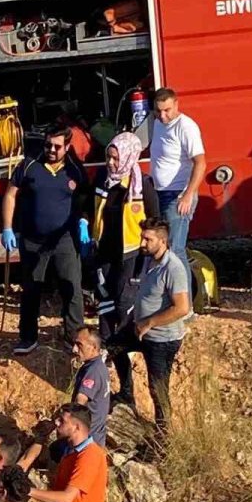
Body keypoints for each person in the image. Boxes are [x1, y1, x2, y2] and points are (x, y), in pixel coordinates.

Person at [0, 127, 88, 355]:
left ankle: (74, 337)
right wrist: (7, 228)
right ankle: (28, 337)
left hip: (64, 240)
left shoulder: (75, 170)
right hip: (33, 240)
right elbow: (10, 194)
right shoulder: (29, 165)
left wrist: (84, 222)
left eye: (57, 147)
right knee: (31, 289)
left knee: (72, 289)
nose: (51, 150)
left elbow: (85, 200)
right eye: (48, 145)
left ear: (67, 147)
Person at [91, 132, 160, 400]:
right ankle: (124, 389)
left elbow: (156, 224)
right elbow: (89, 206)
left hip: (131, 260)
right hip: (105, 259)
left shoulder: (142, 185)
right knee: (108, 320)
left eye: (115, 157)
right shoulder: (103, 181)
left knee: (124, 317)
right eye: (108, 156)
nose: (110, 162)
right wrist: (86, 224)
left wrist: (150, 259)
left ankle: (138, 387)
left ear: (129, 156)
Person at [130, 218, 190, 428]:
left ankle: (163, 435)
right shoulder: (150, 260)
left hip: (162, 339)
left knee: (158, 388)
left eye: (147, 239)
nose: (142, 243)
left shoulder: (173, 268)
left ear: (162, 241)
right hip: (142, 330)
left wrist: (150, 322)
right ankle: (125, 396)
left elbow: (182, 308)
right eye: (142, 238)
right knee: (113, 347)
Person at [150, 88, 205, 279]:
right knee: (165, 248)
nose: (163, 116)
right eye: (158, 111)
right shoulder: (157, 123)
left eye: (167, 110)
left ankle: (185, 303)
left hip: (178, 195)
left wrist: (188, 195)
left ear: (176, 105)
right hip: (161, 192)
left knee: (175, 250)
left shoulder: (186, 127)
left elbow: (200, 162)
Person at [70, 327, 110, 447]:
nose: (74, 349)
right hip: (95, 437)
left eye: (79, 345)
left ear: (93, 347)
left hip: (86, 440)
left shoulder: (93, 371)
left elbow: (80, 402)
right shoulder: (96, 366)